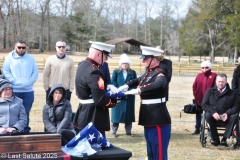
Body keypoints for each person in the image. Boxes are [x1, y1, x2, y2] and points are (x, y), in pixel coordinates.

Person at [118, 46, 171, 160]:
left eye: (145, 59)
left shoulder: (160, 73)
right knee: (151, 151)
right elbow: (138, 80)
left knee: (159, 153)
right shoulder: (148, 73)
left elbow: (159, 84)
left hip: (158, 118)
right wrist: (126, 85)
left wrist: (138, 90)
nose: (142, 61)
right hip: (149, 118)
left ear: (154, 60)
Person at [73, 41, 119, 137]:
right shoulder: (95, 72)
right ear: (98, 54)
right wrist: (115, 100)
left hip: (83, 113)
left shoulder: (83, 65)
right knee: (95, 149)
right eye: (106, 55)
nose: (106, 59)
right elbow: (100, 100)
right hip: (93, 116)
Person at [2, 40, 38, 133]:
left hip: (28, 91)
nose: (21, 49)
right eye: (19, 47)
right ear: (15, 47)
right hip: (14, 90)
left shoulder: (31, 58)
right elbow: (5, 71)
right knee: (13, 113)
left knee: (25, 113)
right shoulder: (9, 58)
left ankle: (25, 132)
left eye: (23, 47)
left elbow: (35, 72)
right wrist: (14, 81)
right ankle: (12, 131)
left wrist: (29, 82)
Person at [202, 73, 239, 146]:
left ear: (226, 82)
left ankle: (224, 139)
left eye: (222, 81)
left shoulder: (233, 93)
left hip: (227, 117)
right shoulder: (209, 91)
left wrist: (227, 113)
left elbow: (236, 106)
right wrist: (213, 112)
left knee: (234, 117)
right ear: (216, 81)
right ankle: (215, 139)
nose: (220, 83)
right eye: (219, 81)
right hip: (213, 116)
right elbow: (204, 104)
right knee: (208, 115)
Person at [111, 53, 137, 138]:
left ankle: (128, 131)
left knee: (128, 114)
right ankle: (114, 131)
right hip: (118, 96)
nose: (124, 65)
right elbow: (113, 82)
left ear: (129, 64)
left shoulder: (133, 72)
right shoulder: (116, 71)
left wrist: (128, 90)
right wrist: (119, 89)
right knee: (116, 114)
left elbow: (135, 83)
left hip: (129, 96)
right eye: (123, 63)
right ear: (120, 64)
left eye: (126, 63)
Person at [192, 61, 217, 135]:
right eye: (203, 68)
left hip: (210, 99)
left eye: (206, 67)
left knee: (209, 114)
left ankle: (210, 129)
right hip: (199, 98)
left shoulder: (214, 75)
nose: (204, 69)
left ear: (210, 68)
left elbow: (216, 87)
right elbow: (194, 86)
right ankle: (197, 128)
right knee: (198, 113)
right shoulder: (199, 75)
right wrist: (196, 95)